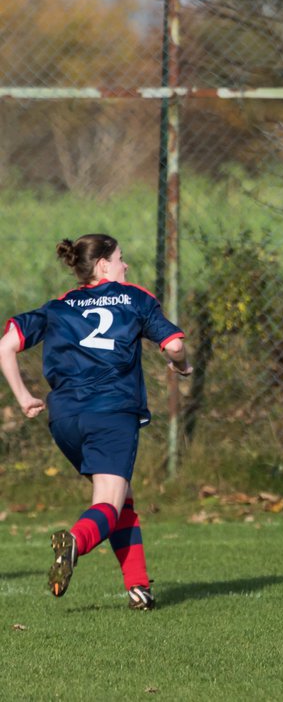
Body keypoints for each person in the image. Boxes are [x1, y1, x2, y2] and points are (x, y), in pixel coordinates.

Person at [0, 234, 192, 610]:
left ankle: (138, 586)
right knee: (107, 500)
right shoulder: (132, 296)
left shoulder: (59, 306)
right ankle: (75, 541)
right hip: (112, 412)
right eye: (121, 258)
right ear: (103, 265)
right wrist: (181, 365)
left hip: (65, 418)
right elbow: (173, 345)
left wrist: (24, 397)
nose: (126, 266)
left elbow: (6, 344)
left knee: (123, 497)